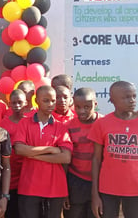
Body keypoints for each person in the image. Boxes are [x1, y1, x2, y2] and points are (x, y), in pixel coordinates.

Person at [14, 85, 73, 218]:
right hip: (29, 187)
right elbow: (19, 149)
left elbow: (65, 158)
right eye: (46, 100)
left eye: (53, 101)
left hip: (55, 189)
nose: (51, 104)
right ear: (37, 100)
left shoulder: (60, 127)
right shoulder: (25, 123)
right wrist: (50, 149)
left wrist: (31, 154)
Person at [88, 81, 138, 218]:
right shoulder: (102, 124)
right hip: (108, 189)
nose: (132, 100)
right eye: (126, 97)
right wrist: (95, 195)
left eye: (134, 96)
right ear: (113, 99)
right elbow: (96, 159)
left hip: (135, 190)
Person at [63, 88, 102, 218]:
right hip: (75, 181)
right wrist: (64, 190)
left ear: (95, 104)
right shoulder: (68, 126)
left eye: (87, 107)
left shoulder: (103, 124)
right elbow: (65, 160)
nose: (82, 111)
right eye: (78, 107)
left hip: (100, 182)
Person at [0, 89, 27, 218]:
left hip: (28, 173)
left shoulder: (30, 122)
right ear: (9, 104)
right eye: (13, 103)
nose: (17, 106)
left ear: (26, 102)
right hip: (11, 175)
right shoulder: (3, 124)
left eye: (20, 102)